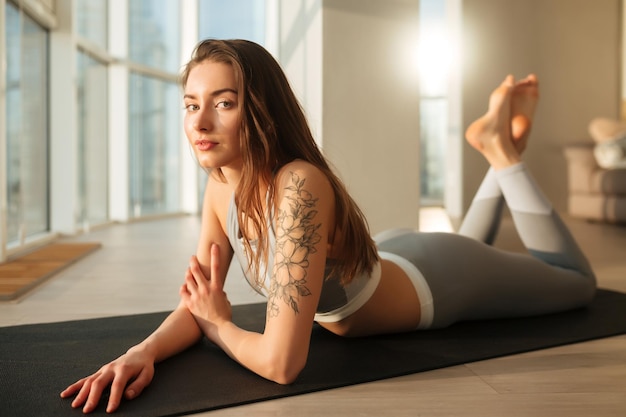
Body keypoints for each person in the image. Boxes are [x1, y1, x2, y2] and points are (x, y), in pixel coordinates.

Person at [61, 39, 596, 414]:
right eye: (191, 105)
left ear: (261, 110)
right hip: (391, 257)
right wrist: (141, 352)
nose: (199, 123)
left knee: (574, 281)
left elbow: (281, 363)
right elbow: (198, 300)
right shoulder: (222, 183)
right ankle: (497, 149)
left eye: (223, 104)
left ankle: (502, 153)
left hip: (438, 283)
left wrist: (221, 326)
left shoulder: (299, 185)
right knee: (471, 245)